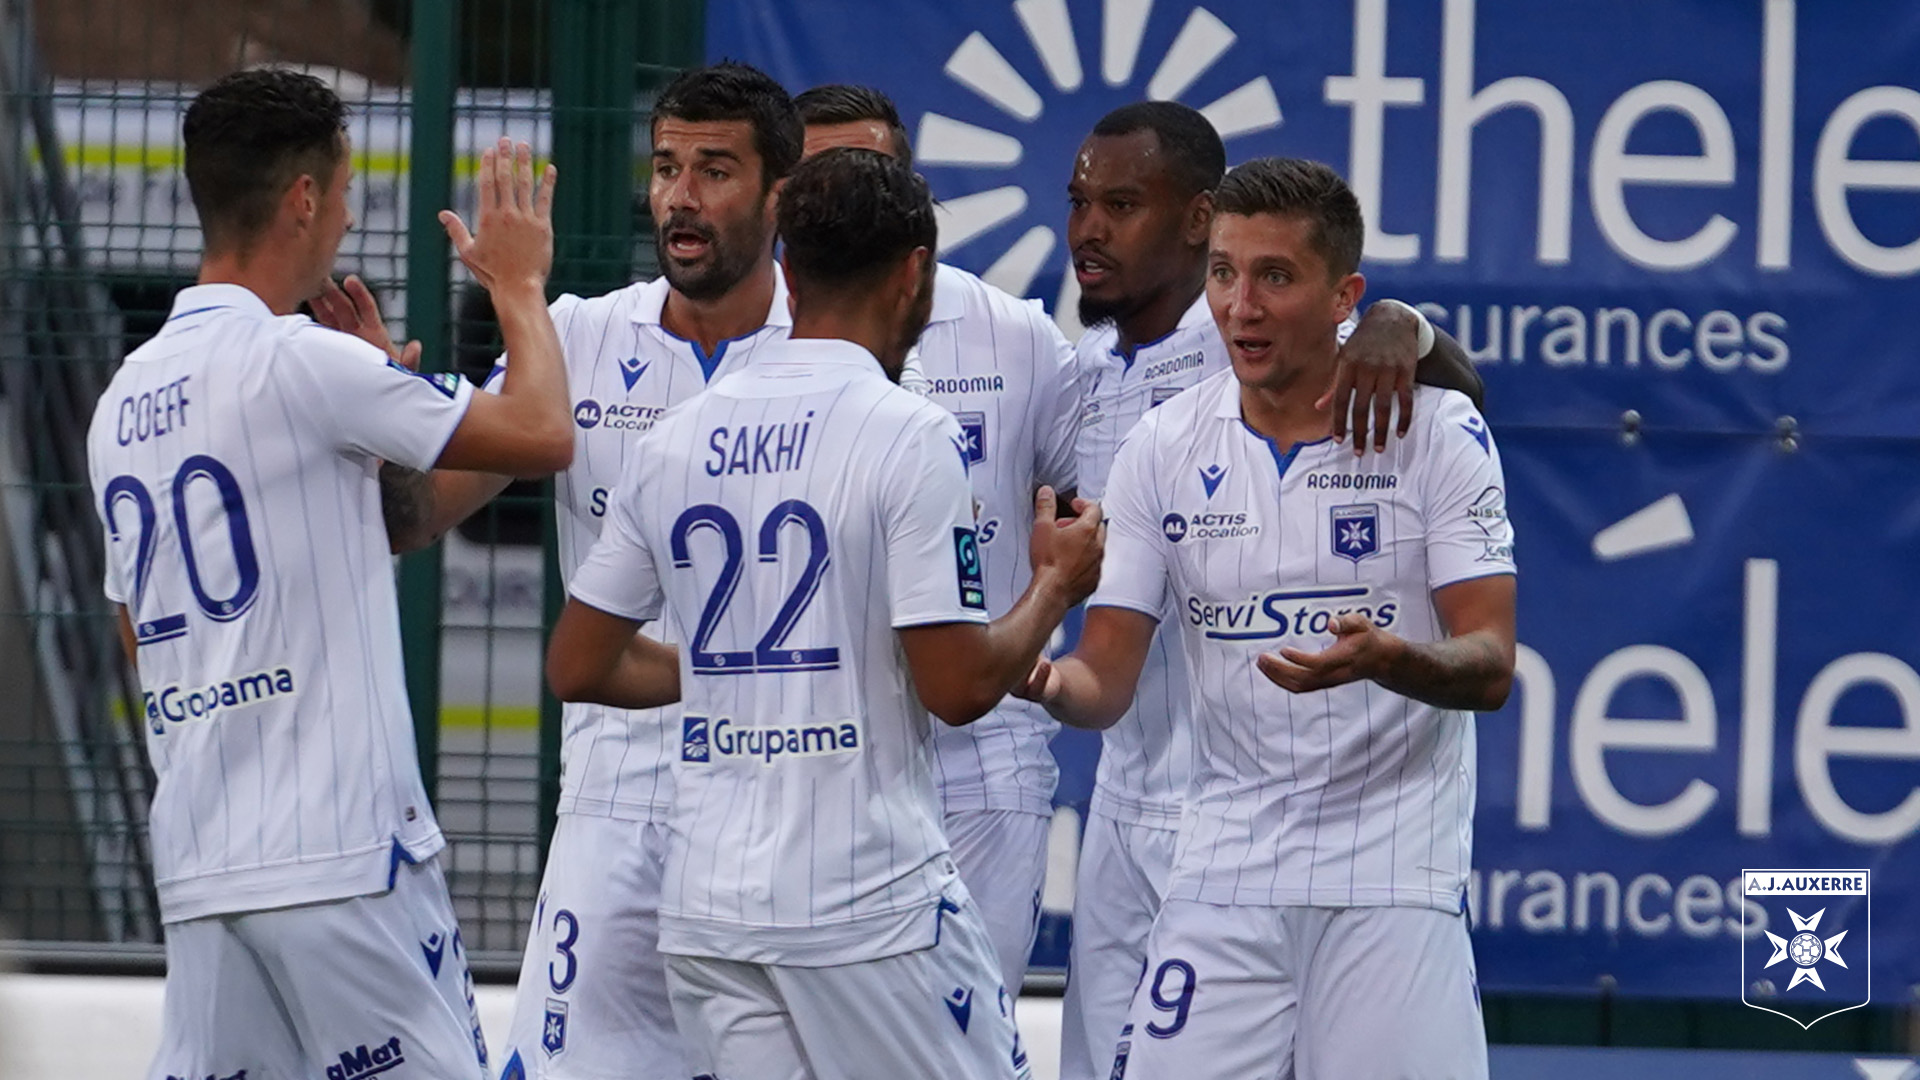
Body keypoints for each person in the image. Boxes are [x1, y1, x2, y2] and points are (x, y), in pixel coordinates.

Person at [544, 147, 1104, 1080]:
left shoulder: (678, 439)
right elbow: (960, 687)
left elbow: (578, 665)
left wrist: (735, 663)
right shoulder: (910, 430)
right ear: (915, 273)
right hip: (868, 906)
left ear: (787, 270)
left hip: (709, 908)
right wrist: (1054, 585)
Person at [317, 62, 809, 1080]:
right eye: (667, 167)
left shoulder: (833, 350)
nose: (680, 195)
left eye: (715, 170)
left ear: (780, 196)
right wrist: (375, 421)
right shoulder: (578, 334)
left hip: (790, 792)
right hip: (617, 792)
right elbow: (413, 518)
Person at [85, 69, 569, 1080]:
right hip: (343, 856)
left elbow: (139, 631)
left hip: (206, 861)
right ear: (303, 197)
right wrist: (517, 285)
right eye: (343, 193)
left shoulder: (122, 400)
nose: (345, 218)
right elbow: (542, 432)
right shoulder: (301, 359)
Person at [1020, 157, 1516, 1079]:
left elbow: (1490, 664)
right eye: (1222, 272)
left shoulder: (1438, 431)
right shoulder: (1163, 446)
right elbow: (1106, 682)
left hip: (1392, 878)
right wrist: (1039, 670)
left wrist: (1393, 660)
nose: (1239, 306)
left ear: (1346, 296)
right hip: (1222, 877)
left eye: (1274, 277)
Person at [796, 82, 1082, 996]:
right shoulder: (749, 332)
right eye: (817, 177)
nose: (844, 200)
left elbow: (1101, 502)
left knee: (965, 1046)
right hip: (812, 764)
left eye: (868, 173)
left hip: (981, 761)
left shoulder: (1017, 336)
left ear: (911, 189)